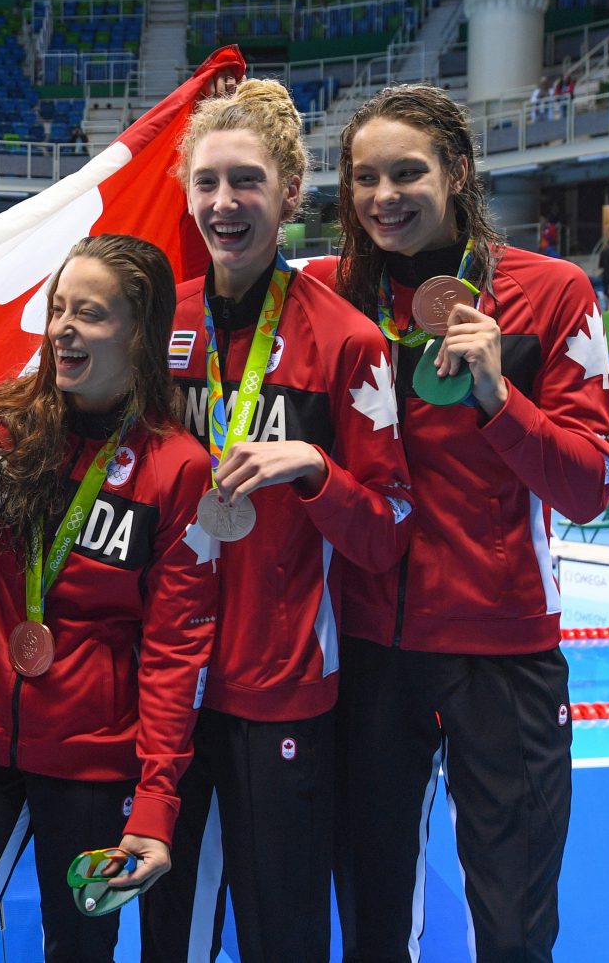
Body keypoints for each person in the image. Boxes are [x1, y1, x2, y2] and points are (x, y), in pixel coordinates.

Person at [309, 83, 609, 963]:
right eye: (364, 177)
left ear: (457, 172)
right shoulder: (331, 298)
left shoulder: (551, 292)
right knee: (372, 921)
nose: (385, 196)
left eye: (408, 172)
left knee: (514, 928)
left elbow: (593, 483)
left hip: (503, 651)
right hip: (373, 650)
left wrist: (498, 395)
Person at [142, 78, 414, 963]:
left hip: (282, 688)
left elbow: (386, 531)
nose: (225, 203)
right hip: (165, 686)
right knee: (168, 936)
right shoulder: (157, 326)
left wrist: (316, 470)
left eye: (247, 182)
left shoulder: (347, 342)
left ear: (290, 194)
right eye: (208, 183)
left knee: (282, 935)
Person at [0, 235, 217, 962]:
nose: (62, 328)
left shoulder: (178, 470)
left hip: (92, 767)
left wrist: (157, 803)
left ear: (140, 335)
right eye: (58, 308)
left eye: (91, 314)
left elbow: (176, 650)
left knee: (80, 951)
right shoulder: (2, 425)